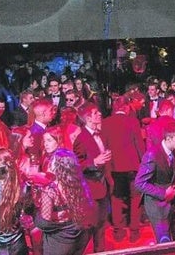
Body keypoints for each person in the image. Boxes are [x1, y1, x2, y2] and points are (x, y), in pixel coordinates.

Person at [101, 95, 146, 242]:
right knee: (135, 199)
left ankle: (118, 231)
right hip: (133, 167)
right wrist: (144, 164)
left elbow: (104, 146)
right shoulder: (133, 121)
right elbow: (139, 145)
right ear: (126, 107)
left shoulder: (106, 123)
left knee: (116, 199)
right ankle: (134, 231)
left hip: (114, 167)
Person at [34, 148, 93, 255]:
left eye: (51, 161)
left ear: (56, 166)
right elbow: (87, 208)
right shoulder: (80, 184)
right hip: (80, 235)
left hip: (60, 242)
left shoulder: (51, 190)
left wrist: (35, 214)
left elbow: (44, 224)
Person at [135, 119, 175, 243]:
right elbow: (139, 183)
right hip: (158, 208)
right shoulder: (152, 154)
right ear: (168, 139)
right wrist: (163, 193)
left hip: (172, 204)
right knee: (164, 244)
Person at [73, 103, 112, 252]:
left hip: (102, 186)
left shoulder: (99, 134)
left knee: (101, 228)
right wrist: (94, 162)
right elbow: (76, 165)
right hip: (91, 190)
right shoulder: (81, 138)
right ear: (88, 118)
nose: (100, 114)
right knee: (89, 229)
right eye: (96, 113)